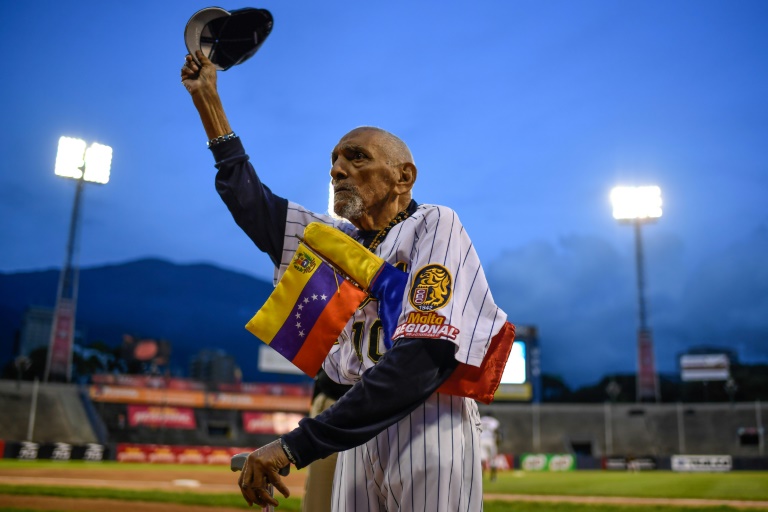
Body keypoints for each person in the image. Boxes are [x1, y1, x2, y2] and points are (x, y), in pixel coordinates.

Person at [181, 50, 510, 511]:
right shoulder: (335, 240)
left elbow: (421, 361)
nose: (337, 169)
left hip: (429, 421)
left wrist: (296, 445)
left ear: (403, 177)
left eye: (356, 157)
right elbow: (251, 203)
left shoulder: (434, 224)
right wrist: (208, 103)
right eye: (335, 160)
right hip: (356, 423)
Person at [479, 412, 501, 481]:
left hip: (481, 441)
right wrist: (498, 441)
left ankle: (480, 477)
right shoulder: (494, 421)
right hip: (491, 441)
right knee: (493, 460)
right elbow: (497, 431)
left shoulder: (481, 419)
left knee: (481, 460)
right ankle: (493, 477)